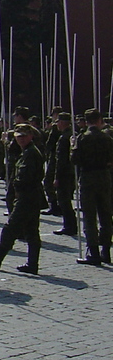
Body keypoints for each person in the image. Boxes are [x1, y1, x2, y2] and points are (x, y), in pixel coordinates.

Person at [0, 125, 44, 274]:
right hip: (30, 196)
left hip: (27, 196)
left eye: (24, 136)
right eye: (18, 137)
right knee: (32, 231)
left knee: (10, 230)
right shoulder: (25, 152)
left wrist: (16, 187)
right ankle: (32, 264)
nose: (20, 139)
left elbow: (25, 177)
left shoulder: (31, 153)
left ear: (31, 136)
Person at [73, 108, 113, 265]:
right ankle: (106, 250)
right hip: (104, 176)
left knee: (89, 217)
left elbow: (75, 159)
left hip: (88, 177)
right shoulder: (107, 138)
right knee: (105, 215)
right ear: (99, 120)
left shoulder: (83, 138)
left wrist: (73, 147)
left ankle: (93, 251)